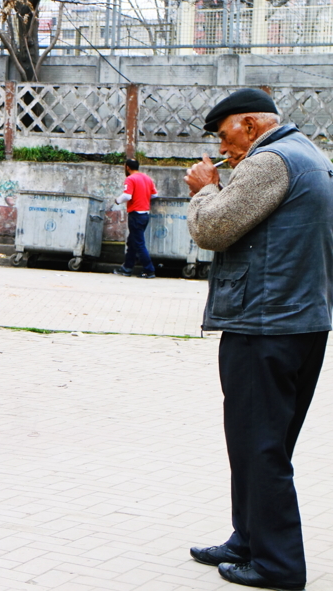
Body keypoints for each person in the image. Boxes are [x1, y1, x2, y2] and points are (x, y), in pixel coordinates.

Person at [184, 88, 333, 591]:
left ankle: (278, 565)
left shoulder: (269, 160)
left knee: (260, 447)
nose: (223, 150)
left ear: (249, 125)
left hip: (264, 325)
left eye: (225, 137)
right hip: (301, 323)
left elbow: (211, 228)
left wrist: (205, 188)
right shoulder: (313, 155)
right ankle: (247, 540)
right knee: (261, 444)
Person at [113, 159, 158, 278]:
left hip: (136, 214)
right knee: (132, 242)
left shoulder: (131, 179)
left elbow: (127, 195)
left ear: (127, 167)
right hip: (145, 214)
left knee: (138, 244)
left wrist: (117, 200)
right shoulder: (147, 178)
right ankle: (127, 268)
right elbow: (154, 194)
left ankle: (149, 270)